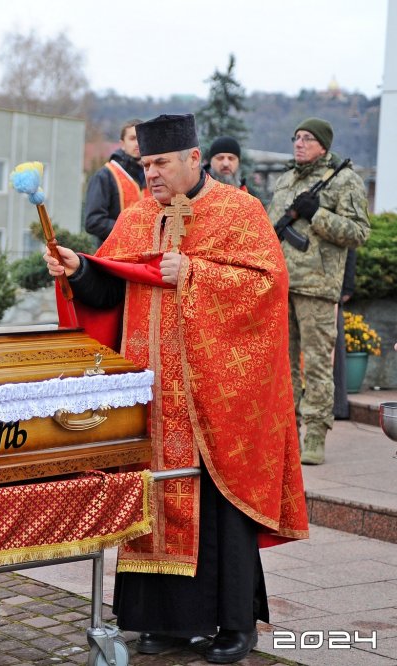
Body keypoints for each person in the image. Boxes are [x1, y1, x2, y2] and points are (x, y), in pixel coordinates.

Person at [44, 114, 308, 664]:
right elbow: (109, 285)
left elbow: (266, 286)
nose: (152, 175)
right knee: (153, 496)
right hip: (152, 392)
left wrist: (192, 270)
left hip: (213, 398)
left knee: (220, 508)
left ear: (194, 158)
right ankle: (160, 621)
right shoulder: (139, 215)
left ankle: (235, 626)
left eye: (161, 163)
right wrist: (77, 268)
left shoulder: (240, 211)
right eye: (145, 165)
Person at [267, 118, 371, 465]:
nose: (299, 143)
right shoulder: (284, 181)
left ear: (323, 145)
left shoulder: (344, 180)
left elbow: (359, 232)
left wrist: (318, 215)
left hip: (318, 287)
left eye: (307, 138)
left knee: (315, 366)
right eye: (296, 137)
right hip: (281, 284)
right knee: (283, 365)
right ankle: (288, 432)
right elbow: (269, 230)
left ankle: (314, 434)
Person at [83, 119, 145, 245]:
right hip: (113, 257)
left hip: (147, 257)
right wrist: (131, 229)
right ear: (122, 143)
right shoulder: (105, 176)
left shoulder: (154, 176)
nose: (138, 143)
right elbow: (93, 222)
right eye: (133, 138)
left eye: (142, 138)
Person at [333, 250, 357, 419]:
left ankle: (338, 407)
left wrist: (347, 287)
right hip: (295, 289)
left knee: (334, 352)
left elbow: (349, 247)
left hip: (330, 291)